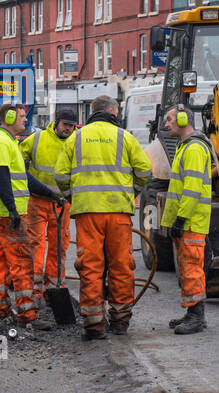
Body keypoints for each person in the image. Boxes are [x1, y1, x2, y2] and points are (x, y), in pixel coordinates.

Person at [55, 95, 152, 339]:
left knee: (91, 267)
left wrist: (73, 197)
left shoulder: (76, 137)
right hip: (118, 212)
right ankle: (120, 322)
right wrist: (131, 192)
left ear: (92, 111)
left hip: (88, 213)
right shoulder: (125, 137)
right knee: (121, 266)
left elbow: (60, 175)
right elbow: (145, 171)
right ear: (113, 111)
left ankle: (94, 324)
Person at [0, 103, 63, 331]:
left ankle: (0, 308)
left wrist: (50, 194)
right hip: (10, 215)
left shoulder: (9, 142)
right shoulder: (1, 143)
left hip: (2, 213)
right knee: (21, 262)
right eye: (20, 116)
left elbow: (24, 178)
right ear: (8, 117)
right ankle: (27, 313)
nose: (25, 121)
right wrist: (11, 210)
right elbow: (0, 178)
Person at [160, 105, 213, 335]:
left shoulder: (193, 149)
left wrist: (181, 218)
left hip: (191, 221)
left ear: (184, 120)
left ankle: (197, 317)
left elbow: (192, 189)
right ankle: (192, 311)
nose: (166, 124)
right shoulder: (186, 147)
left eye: (170, 119)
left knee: (192, 268)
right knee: (186, 267)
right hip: (186, 220)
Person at [21, 107, 77, 318]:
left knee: (58, 248)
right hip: (38, 201)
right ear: (57, 122)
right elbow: (17, 163)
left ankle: (52, 289)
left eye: (72, 126)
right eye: (66, 125)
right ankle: (34, 292)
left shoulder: (75, 140)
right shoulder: (37, 140)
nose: (69, 129)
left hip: (62, 204)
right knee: (36, 246)